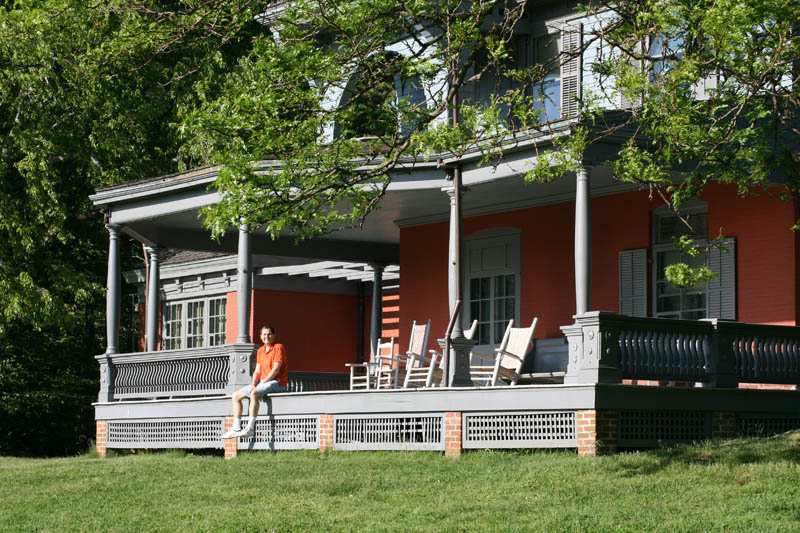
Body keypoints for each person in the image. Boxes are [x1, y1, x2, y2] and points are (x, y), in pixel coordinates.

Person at [222, 325, 288, 438]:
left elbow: (276, 369)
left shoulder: (278, 347)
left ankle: (250, 428)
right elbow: (257, 370)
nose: (266, 336)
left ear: (273, 335)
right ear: (261, 336)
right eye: (264, 334)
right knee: (235, 395)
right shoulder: (260, 351)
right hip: (262, 382)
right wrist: (253, 384)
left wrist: (261, 383)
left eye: (269, 334)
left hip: (277, 382)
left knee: (254, 393)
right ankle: (236, 428)